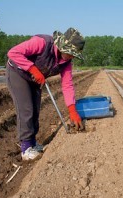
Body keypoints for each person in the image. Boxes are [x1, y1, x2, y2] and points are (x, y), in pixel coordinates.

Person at [5, 27, 85, 161]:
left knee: (36, 109)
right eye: (71, 53)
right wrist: (33, 69)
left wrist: (72, 110)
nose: (72, 57)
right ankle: (25, 148)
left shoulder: (66, 62)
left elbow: (67, 85)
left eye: (74, 55)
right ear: (63, 47)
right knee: (27, 109)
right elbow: (13, 53)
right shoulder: (42, 43)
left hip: (36, 78)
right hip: (17, 73)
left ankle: (32, 143)